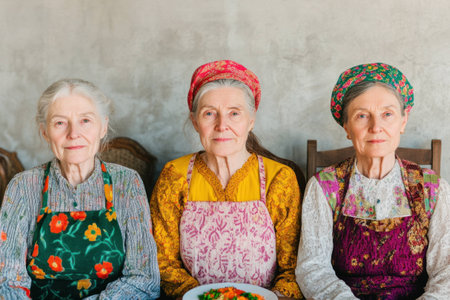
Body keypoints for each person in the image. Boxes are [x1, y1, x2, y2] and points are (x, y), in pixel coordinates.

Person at [295, 63, 450, 299]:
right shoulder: (325, 187)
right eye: (362, 116)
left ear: (403, 121)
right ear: (346, 126)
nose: (376, 127)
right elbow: (313, 269)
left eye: (387, 114)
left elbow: (446, 271)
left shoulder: (432, 188)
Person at [150, 60, 303, 299]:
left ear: (250, 121)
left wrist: (277, 296)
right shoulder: (175, 175)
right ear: (195, 122)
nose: (222, 126)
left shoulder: (279, 178)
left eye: (234, 113)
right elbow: (162, 259)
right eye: (209, 113)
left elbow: (293, 266)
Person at [0, 79, 160, 299]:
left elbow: (144, 278)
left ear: (103, 127)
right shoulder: (22, 187)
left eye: (85, 120)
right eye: (60, 123)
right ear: (45, 132)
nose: (73, 133)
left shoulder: (127, 183)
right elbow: (7, 280)